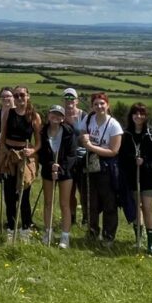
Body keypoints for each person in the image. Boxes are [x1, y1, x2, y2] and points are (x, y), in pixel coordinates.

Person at [0, 84, 42, 242]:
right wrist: (1, 159)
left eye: (22, 95)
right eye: (16, 96)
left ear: (28, 96)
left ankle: (25, 230)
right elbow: (2, 137)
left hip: (24, 157)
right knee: (9, 195)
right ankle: (11, 229)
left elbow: (39, 142)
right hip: (9, 157)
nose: (19, 98)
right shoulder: (8, 113)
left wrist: (33, 151)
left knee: (24, 195)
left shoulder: (34, 116)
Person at [80, 92, 123, 245]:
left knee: (109, 202)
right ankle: (92, 232)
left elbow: (114, 151)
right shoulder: (89, 118)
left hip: (107, 167)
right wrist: (84, 138)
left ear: (107, 105)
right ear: (92, 106)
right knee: (91, 200)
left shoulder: (114, 125)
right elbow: (82, 134)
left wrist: (91, 146)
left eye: (102, 104)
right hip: (91, 165)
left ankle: (108, 236)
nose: (99, 107)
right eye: (96, 104)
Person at [120, 102, 152, 255]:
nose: (139, 116)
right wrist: (133, 161)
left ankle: (151, 244)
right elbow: (122, 158)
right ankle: (139, 238)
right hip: (132, 179)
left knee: (148, 209)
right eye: (136, 113)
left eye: (142, 114)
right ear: (131, 116)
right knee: (137, 209)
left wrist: (145, 162)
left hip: (150, 179)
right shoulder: (125, 135)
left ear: (146, 116)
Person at [38, 104, 76, 249]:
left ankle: (65, 237)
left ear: (62, 118)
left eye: (59, 115)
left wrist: (60, 168)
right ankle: (48, 232)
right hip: (48, 171)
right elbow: (41, 153)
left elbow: (72, 155)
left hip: (65, 172)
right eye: (53, 114)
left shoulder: (68, 132)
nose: (56, 117)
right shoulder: (42, 132)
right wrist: (50, 166)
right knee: (48, 203)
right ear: (48, 116)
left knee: (64, 204)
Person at [63, 88, 87, 226]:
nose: (69, 101)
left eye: (72, 98)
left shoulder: (84, 116)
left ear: (77, 100)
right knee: (69, 191)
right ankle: (71, 217)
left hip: (82, 158)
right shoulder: (60, 115)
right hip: (67, 158)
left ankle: (86, 216)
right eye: (67, 98)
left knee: (83, 190)